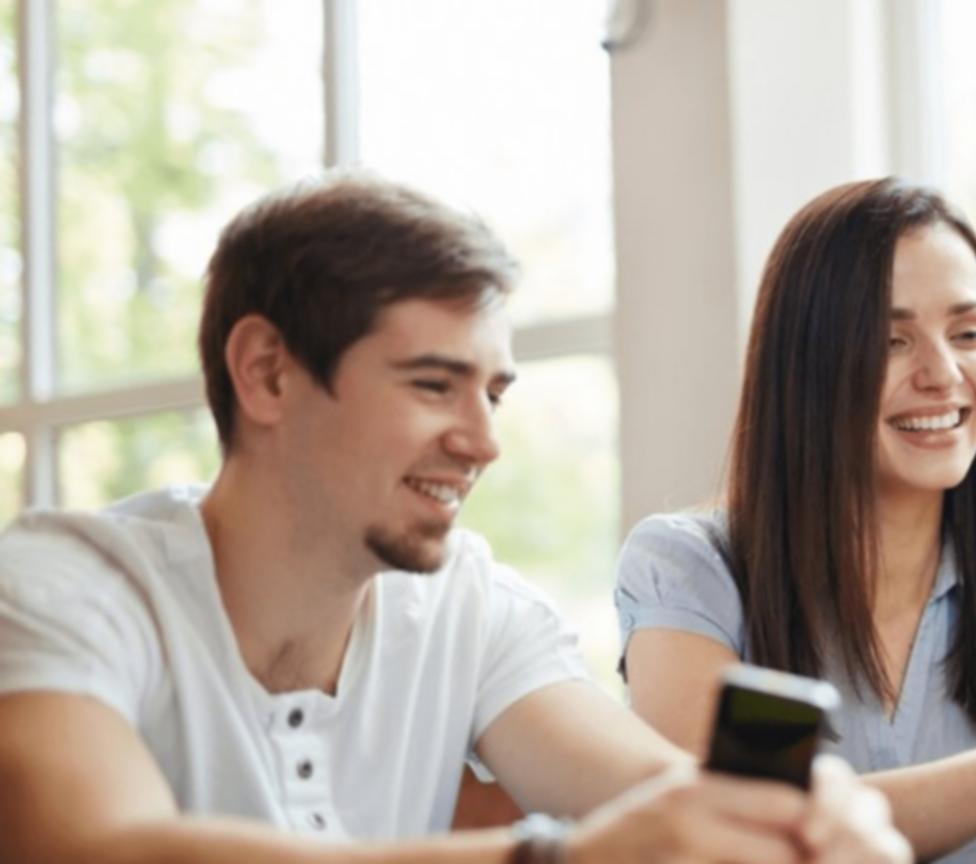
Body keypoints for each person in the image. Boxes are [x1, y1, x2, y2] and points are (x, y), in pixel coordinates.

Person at [0, 173, 909, 864]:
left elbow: (649, 790)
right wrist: (558, 858)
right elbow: (92, 843)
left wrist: (790, 816)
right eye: (434, 385)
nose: (482, 442)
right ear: (267, 373)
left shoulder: (470, 608)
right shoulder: (65, 585)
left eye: (494, 394)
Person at [614, 178, 976, 860]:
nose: (943, 373)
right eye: (891, 342)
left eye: (969, 332)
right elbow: (752, 833)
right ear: (806, 368)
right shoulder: (694, 572)